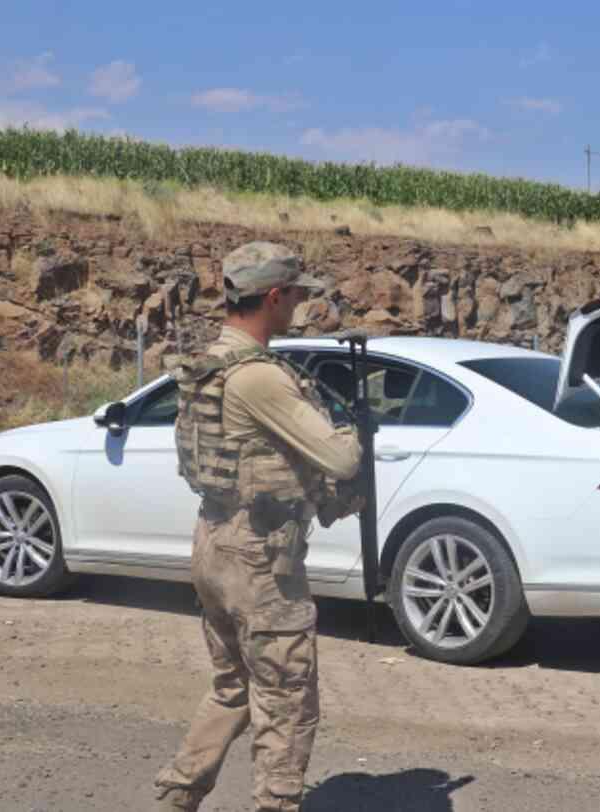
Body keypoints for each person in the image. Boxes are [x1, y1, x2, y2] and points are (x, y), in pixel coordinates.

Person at [155, 242, 364, 811]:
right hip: (259, 559)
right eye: (295, 294)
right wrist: (353, 430)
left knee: (233, 690)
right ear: (273, 297)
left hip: (215, 543)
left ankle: (177, 796)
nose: (299, 304)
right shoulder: (259, 378)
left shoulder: (211, 366)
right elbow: (340, 461)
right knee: (287, 699)